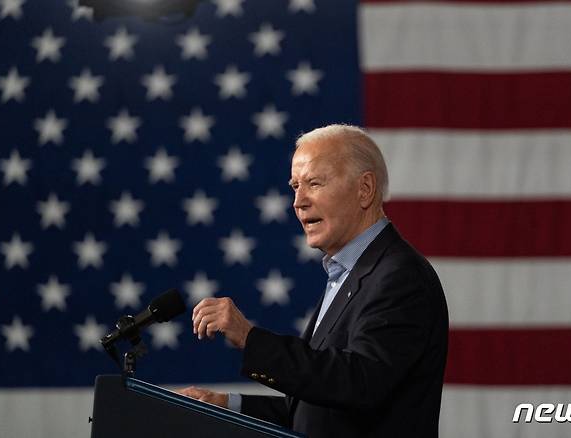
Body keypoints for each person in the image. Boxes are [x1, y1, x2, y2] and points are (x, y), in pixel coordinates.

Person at [179, 125, 448, 438]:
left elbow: (359, 384)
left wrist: (249, 337)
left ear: (365, 189)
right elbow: (317, 413)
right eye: (295, 186)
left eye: (314, 183)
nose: (298, 201)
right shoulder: (349, 274)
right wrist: (227, 404)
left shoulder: (399, 276)